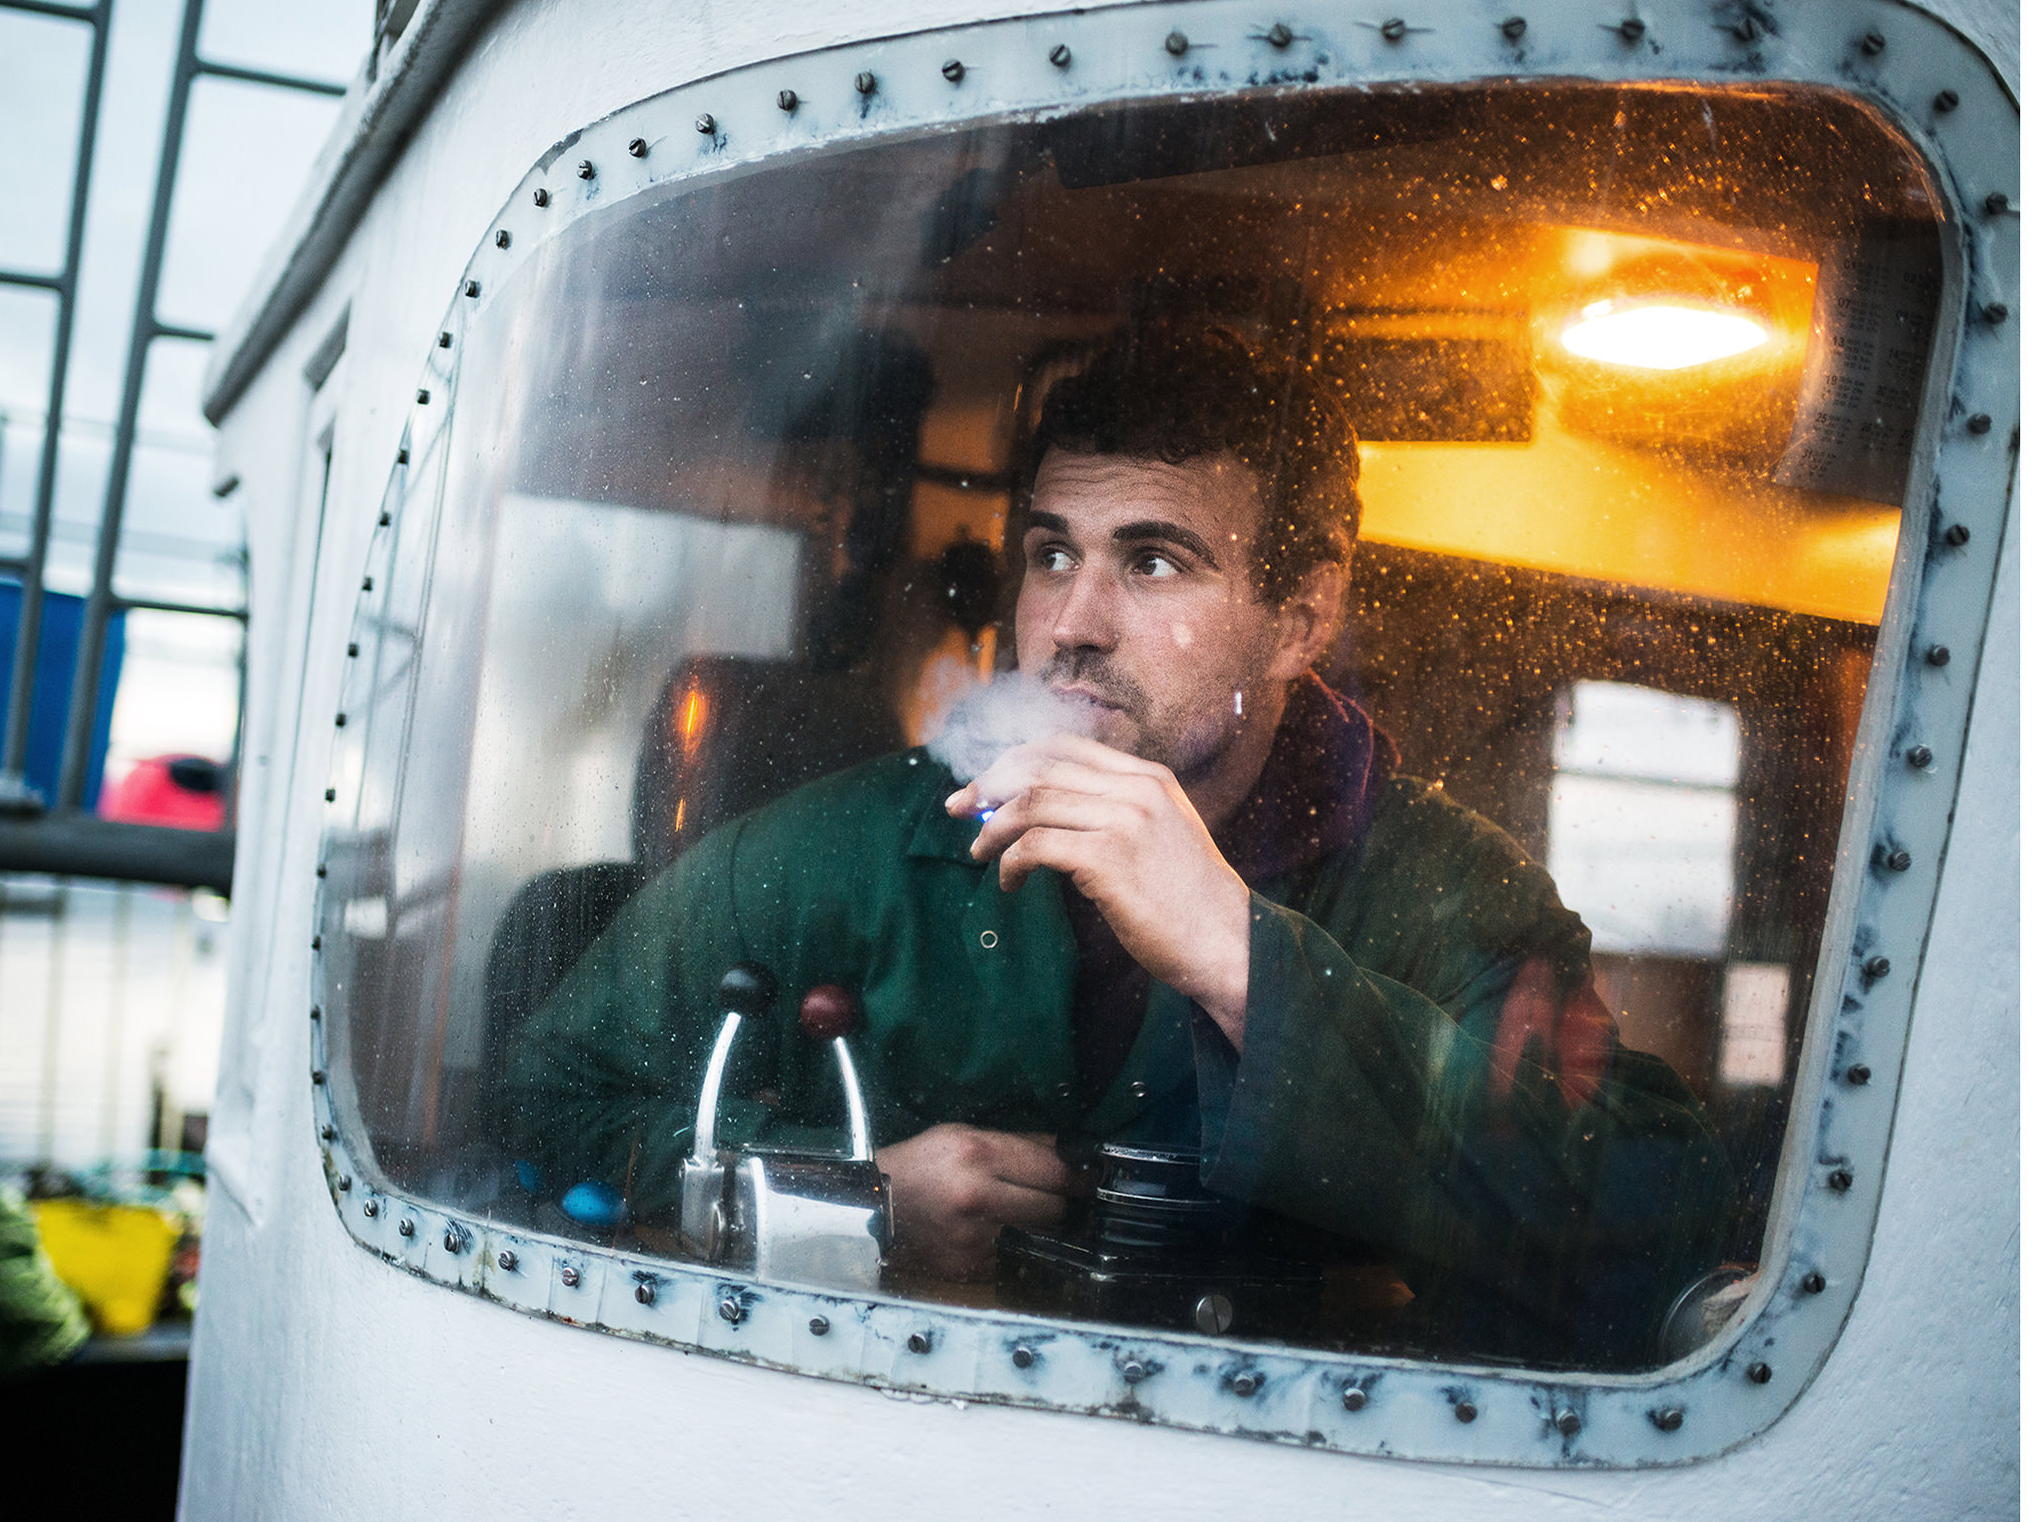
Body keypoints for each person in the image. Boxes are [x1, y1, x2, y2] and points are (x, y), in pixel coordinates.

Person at [504, 321, 1732, 1367]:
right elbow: (542, 1103)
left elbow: (1651, 1221)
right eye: (1052, 555)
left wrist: (1248, 961)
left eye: (1153, 561)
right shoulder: (840, 848)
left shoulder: (1445, 891)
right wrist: (850, 1192)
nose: (1073, 624)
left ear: (1302, 613)